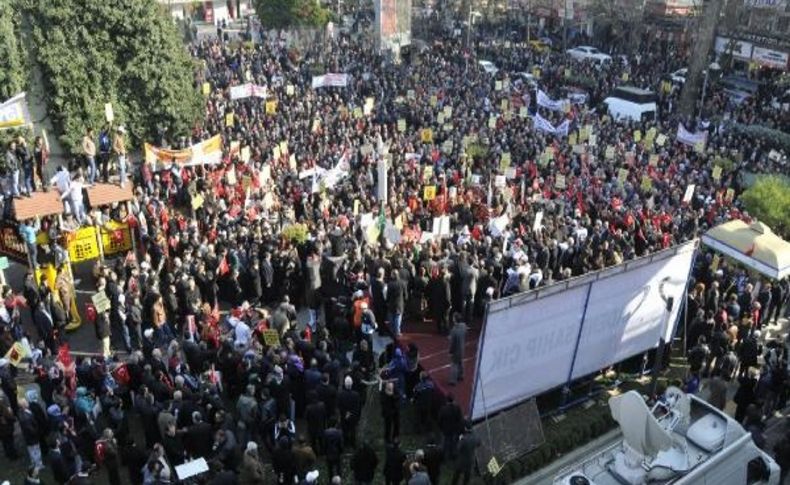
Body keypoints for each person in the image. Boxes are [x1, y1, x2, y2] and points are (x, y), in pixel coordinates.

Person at [448, 313, 467, 385]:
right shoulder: (464, 326)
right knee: (460, 362)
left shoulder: (454, 330)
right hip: (462, 347)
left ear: (455, 319)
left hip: (456, 350)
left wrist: (450, 351)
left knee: (454, 364)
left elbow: (452, 343)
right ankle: (461, 375)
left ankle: (453, 380)